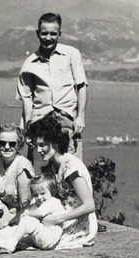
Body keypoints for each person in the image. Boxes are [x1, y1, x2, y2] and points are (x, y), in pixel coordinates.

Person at [17, 12, 88, 165]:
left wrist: (80, 116)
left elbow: (81, 85)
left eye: (53, 34)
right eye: (44, 33)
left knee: (71, 168)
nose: (48, 37)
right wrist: (27, 128)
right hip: (39, 124)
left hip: (66, 122)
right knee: (39, 173)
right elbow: (27, 99)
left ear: (59, 34)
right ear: (38, 33)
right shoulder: (29, 64)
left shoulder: (72, 54)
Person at [24, 114, 97, 249]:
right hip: (60, 217)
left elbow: (89, 206)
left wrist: (57, 219)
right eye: (36, 146)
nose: (38, 150)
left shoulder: (71, 167)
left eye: (42, 145)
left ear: (54, 141)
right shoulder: (54, 165)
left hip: (75, 225)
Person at [0, 173, 65, 252]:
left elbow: (39, 213)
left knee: (27, 220)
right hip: (38, 236)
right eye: (36, 194)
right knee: (14, 229)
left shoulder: (53, 201)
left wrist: (26, 213)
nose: (39, 197)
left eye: (42, 193)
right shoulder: (36, 203)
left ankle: (11, 244)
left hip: (49, 237)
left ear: (52, 192)